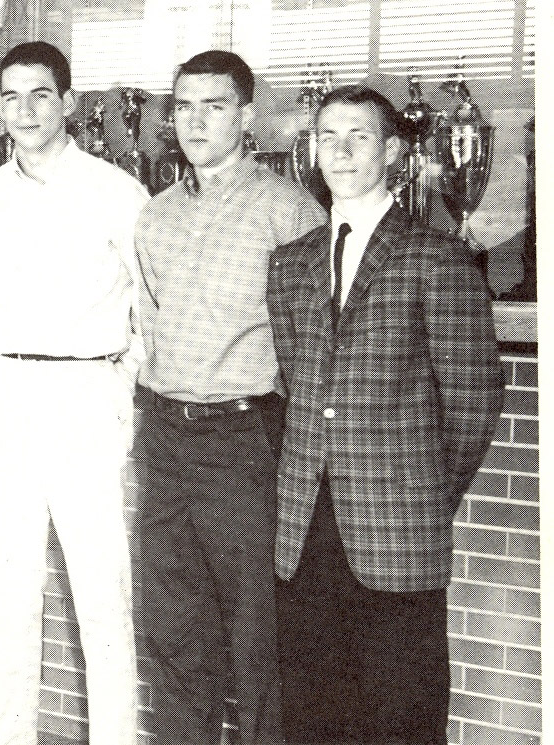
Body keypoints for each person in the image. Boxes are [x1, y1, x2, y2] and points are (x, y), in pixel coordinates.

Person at [268, 84, 504, 745]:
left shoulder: (435, 255)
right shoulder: (292, 263)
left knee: (400, 713)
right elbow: (297, 386)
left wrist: (423, 489)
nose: (340, 151)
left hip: (398, 530)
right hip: (305, 530)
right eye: (329, 137)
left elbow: (473, 398)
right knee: (312, 712)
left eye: (359, 136)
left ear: (394, 151)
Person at [133, 50, 325, 744]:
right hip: (167, 441)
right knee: (175, 633)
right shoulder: (154, 217)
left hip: (244, 443)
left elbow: (313, 349)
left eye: (214, 106)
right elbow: (151, 325)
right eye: (183, 106)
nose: (195, 121)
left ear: (247, 116)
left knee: (256, 639)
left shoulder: (288, 210)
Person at [0, 41, 150, 745]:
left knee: (100, 595)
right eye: (11, 96)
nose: (25, 110)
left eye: (40, 94)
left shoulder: (115, 191)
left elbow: (148, 311)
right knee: (10, 594)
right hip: (9, 390)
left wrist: (114, 386)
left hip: (84, 395)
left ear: (68, 102)